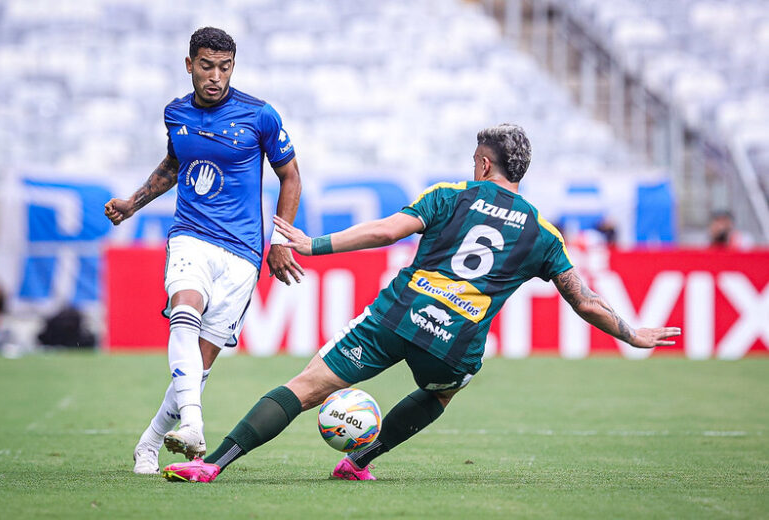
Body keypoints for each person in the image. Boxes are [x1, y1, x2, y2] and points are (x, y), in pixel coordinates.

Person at [161, 124, 680, 483]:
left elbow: (387, 231)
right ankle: (360, 460)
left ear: (483, 162)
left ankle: (215, 464)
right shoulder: (543, 234)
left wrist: (313, 244)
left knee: (306, 388)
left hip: (397, 315)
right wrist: (631, 334)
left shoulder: (451, 195)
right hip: (454, 342)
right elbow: (583, 300)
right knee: (442, 393)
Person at [104, 27, 304, 475]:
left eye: (225, 67)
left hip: (243, 253)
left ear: (234, 66)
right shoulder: (175, 113)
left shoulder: (260, 115)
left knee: (201, 361)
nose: (216, 76)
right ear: (189, 64)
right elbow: (175, 164)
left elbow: (290, 176)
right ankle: (194, 423)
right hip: (191, 235)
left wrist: (281, 240)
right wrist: (132, 204)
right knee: (184, 310)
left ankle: (150, 442)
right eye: (207, 66)